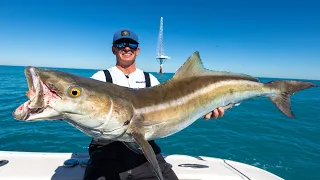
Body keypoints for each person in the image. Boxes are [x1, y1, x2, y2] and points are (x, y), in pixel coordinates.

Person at [83, 28, 226, 180]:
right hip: (105, 150)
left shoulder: (150, 80)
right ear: (113, 49)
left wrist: (203, 107)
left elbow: (173, 108)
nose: (126, 48)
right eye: (120, 44)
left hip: (144, 150)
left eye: (131, 45)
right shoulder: (99, 79)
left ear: (137, 50)